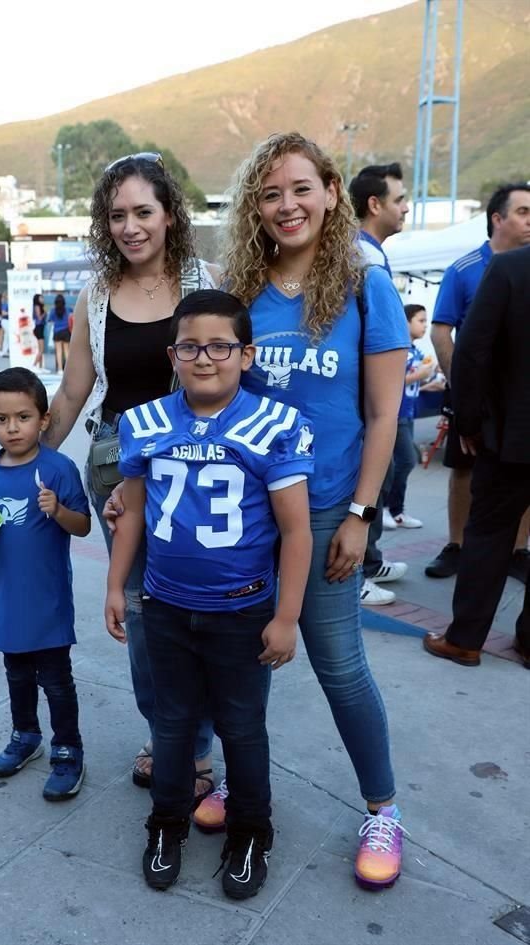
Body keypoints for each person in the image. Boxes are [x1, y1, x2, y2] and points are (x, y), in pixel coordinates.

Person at [221, 131, 410, 889]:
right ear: (254, 208)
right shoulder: (242, 290)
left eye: (301, 188)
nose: (286, 205)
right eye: (270, 194)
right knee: (242, 660)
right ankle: (240, 781)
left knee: (338, 664)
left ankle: (383, 810)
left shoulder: (367, 284)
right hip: (247, 513)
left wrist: (363, 512)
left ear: (332, 191)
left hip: (331, 509)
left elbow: (385, 413)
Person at [106, 290, 314, 897]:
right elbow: (134, 516)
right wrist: (116, 585)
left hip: (242, 609)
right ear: (173, 354)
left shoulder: (273, 424)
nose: (205, 358)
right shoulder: (144, 421)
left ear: (245, 354)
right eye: (191, 346)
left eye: (220, 346)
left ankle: (251, 831)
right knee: (170, 726)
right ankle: (166, 822)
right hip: (167, 604)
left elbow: (296, 530)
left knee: (243, 728)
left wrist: (287, 616)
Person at [41, 153, 219, 797]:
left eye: (143, 211)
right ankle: (173, 738)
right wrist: (28, 457)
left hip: (198, 463)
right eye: (116, 215)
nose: (130, 226)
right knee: (143, 611)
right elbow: (71, 395)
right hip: (116, 460)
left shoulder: (208, 280)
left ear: (170, 214)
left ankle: (197, 740)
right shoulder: (96, 296)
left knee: (195, 603)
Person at [0, 367, 91, 799]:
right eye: (1, 419)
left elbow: (84, 526)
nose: (12, 427)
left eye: (23, 417)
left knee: (55, 678)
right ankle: (25, 736)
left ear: (44, 419)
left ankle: (68, 749)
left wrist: (57, 511)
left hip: (48, 600)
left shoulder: (58, 468)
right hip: (6, 598)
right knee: (17, 673)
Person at [423, 245, 530, 669]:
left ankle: (465, 639)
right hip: (511, 434)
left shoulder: (510, 267)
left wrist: (467, 422)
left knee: (486, 535)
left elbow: (473, 350)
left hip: (511, 436)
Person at [425, 183, 530, 582]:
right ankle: (457, 545)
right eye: (522, 212)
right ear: (497, 219)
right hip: (475, 401)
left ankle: (518, 551)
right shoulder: (465, 269)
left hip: (519, 405)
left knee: (523, 477)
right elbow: (440, 332)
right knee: (465, 469)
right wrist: (463, 388)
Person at [348, 162, 410, 605]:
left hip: (374, 410)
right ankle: (358, 570)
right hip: (363, 412)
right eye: (400, 199)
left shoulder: (369, 254)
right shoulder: (363, 260)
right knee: (370, 482)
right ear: (375, 204)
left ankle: (367, 562)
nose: (406, 208)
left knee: (387, 473)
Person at [385, 305, 433, 527]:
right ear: (405, 322)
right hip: (396, 414)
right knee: (404, 460)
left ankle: (396, 511)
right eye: (420, 320)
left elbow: (415, 382)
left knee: (402, 461)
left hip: (408, 413)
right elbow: (390, 382)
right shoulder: (398, 348)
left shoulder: (415, 351)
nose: (425, 326)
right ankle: (385, 508)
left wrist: (430, 380)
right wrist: (420, 376)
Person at [48, 293, 72, 374]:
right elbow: (72, 316)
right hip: (66, 332)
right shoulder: (68, 309)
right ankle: (68, 370)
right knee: (66, 351)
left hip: (57, 332)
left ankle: (60, 369)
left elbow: (49, 320)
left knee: (58, 351)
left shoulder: (53, 310)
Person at [32, 293, 48, 372]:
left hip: (40, 328)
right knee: (41, 349)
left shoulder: (40, 306)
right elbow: (39, 318)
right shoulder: (37, 306)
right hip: (39, 328)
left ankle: (40, 367)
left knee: (41, 349)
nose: (42, 299)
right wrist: (44, 313)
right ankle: (34, 365)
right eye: (41, 298)